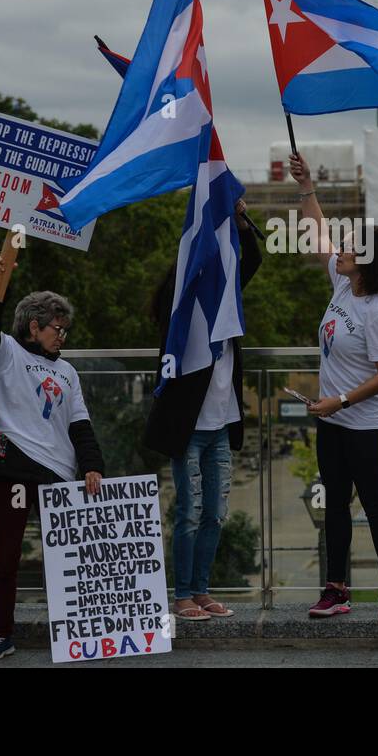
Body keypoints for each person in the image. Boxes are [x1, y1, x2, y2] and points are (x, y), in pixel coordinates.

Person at [289, 152, 378, 624]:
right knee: (334, 503)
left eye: (351, 247)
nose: (340, 249)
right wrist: (306, 186)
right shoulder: (342, 285)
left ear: (366, 262)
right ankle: (335, 589)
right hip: (332, 419)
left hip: (363, 422)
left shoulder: (377, 312)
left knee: (374, 503)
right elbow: (317, 231)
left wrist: (341, 400)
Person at [0, 248, 105, 661]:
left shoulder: (67, 371)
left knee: (66, 558)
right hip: (11, 466)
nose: (63, 336)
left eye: (66, 329)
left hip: (58, 473)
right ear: (34, 326)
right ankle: (2, 633)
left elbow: (79, 425)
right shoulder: (6, 354)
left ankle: (76, 632)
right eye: (57, 328)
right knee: (6, 554)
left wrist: (93, 466)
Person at [144, 200, 262, 622]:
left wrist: (241, 218)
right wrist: (205, 221)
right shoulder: (181, 316)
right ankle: (182, 597)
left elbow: (253, 259)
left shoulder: (226, 304)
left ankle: (203, 591)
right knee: (189, 513)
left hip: (220, 425)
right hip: (189, 429)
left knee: (214, 513)